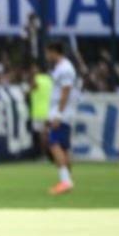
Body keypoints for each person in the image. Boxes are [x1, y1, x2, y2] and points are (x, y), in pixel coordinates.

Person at [45, 41, 78, 196]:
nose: (47, 56)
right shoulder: (60, 67)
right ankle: (67, 180)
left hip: (63, 113)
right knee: (63, 148)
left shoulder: (65, 68)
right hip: (61, 111)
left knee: (54, 144)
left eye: (48, 52)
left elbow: (66, 91)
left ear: (54, 51)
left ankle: (65, 181)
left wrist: (58, 114)